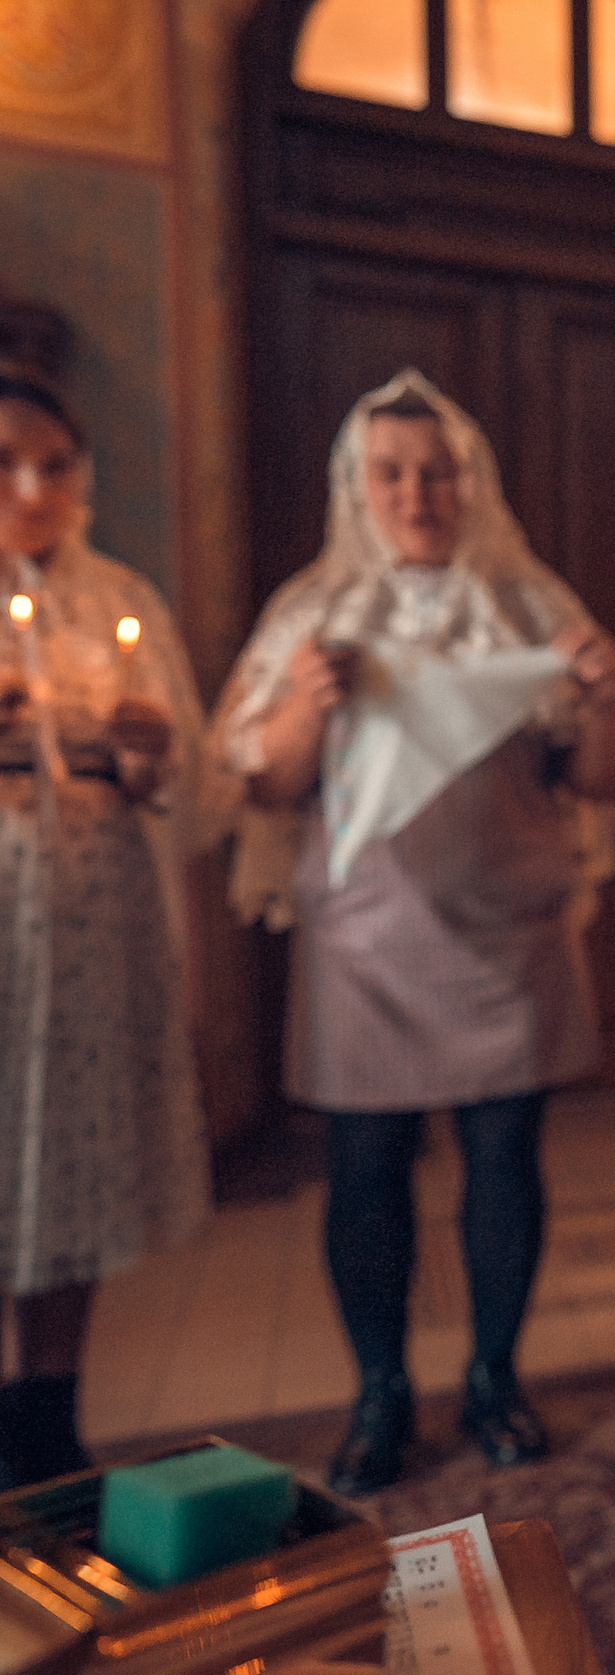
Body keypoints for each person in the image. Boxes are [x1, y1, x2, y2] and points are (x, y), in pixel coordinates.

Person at [214, 371, 615, 1494]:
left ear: (471, 482)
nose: (418, 493)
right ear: (357, 487)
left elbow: (604, 781)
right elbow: (260, 785)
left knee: (506, 1162)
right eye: (393, 473)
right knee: (366, 1171)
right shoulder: (312, 615)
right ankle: (380, 1394)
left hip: (510, 933)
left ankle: (497, 1376)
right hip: (364, 942)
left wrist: (602, 699)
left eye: (438, 471)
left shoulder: (530, 612)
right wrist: (307, 703)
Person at [0, 373, 211, 1485]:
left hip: (84, 932)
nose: (32, 488)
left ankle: (46, 1412)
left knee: (63, 1165)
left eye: (55, 465)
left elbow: (190, 786)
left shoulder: (117, 598)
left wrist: (146, 757)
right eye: (6, 462)